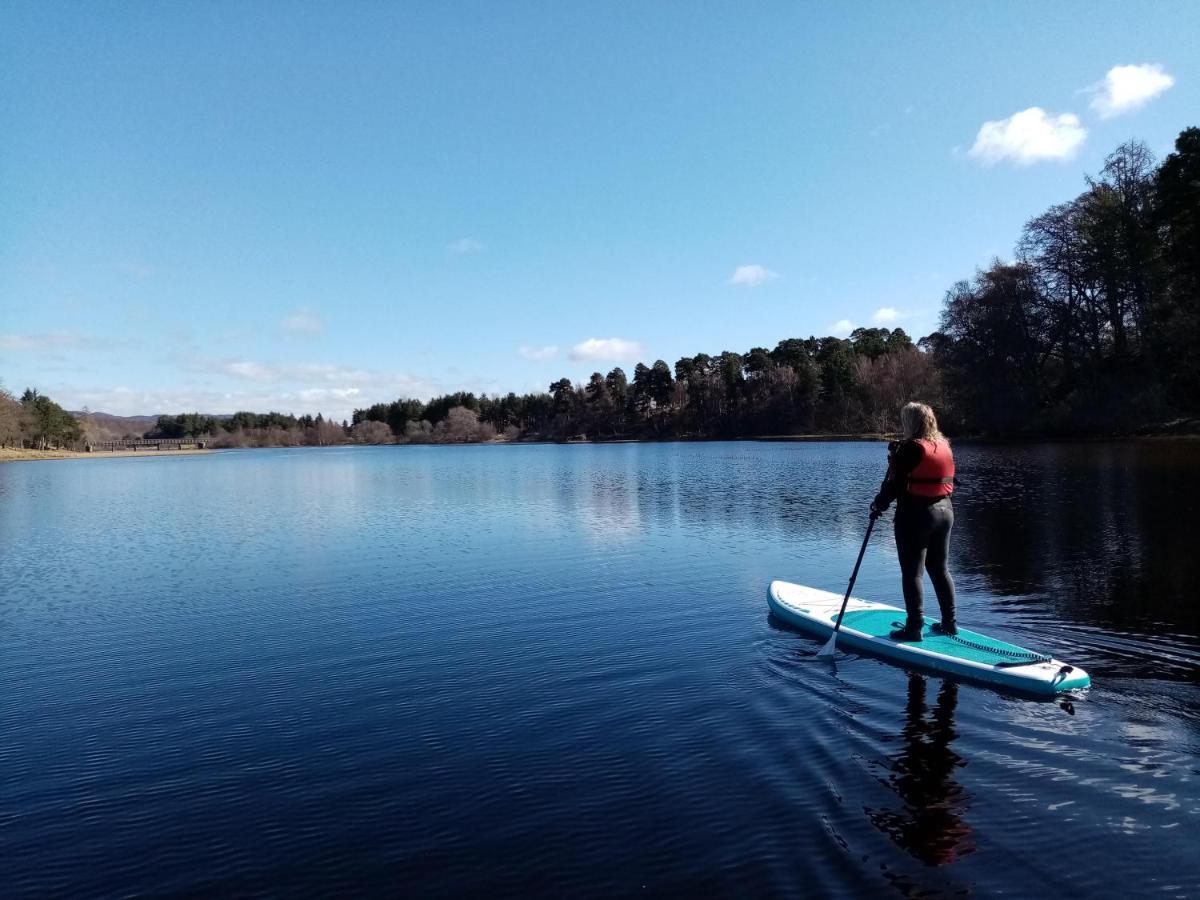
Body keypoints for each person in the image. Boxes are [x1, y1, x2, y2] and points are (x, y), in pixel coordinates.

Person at [870, 402, 957, 641]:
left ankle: (914, 628)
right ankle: (950, 623)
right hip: (945, 511)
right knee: (940, 569)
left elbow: (895, 485)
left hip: (916, 515)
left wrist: (879, 504)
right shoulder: (943, 445)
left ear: (911, 423)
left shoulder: (911, 448)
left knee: (912, 573)